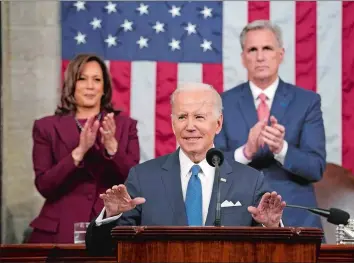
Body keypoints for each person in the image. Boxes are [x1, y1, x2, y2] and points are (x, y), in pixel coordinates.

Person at [85, 82, 286, 255]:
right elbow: (101, 249)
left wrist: (272, 227)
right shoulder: (143, 178)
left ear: (218, 123)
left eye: (199, 117)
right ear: (173, 124)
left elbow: (273, 253)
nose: (190, 126)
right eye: (182, 117)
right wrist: (111, 216)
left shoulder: (250, 182)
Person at [214, 20, 326, 230]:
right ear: (243, 58)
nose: (260, 57)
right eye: (252, 49)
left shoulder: (307, 102)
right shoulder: (222, 103)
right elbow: (211, 166)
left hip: (294, 216)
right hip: (238, 215)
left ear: (280, 54)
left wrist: (281, 149)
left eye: (267, 48)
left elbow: (316, 168)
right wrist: (246, 152)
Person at [27, 53, 141, 243]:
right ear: (72, 84)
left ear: (104, 87)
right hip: (59, 231)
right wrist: (78, 152)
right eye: (82, 79)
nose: (90, 86)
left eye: (96, 79)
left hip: (109, 229)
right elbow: (44, 186)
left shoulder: (124, 125)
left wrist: (113, 147)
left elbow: (134, 182)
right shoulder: (46, 127)